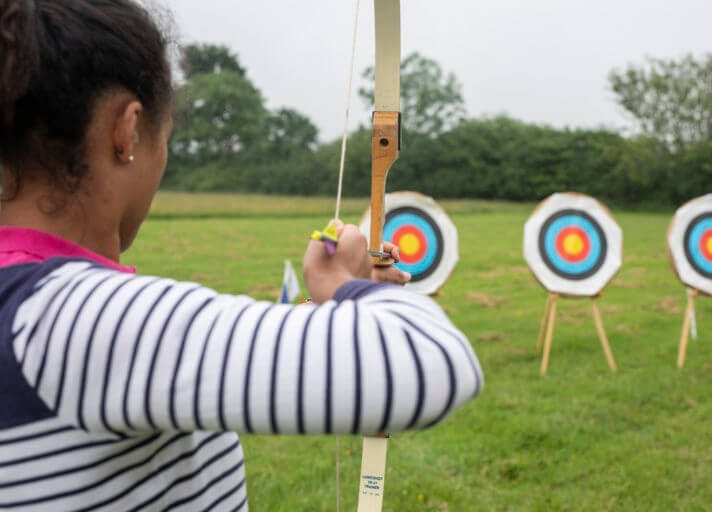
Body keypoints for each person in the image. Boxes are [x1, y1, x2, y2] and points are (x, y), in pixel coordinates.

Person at [0, 0, 483, 510]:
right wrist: (346, 285)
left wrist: (326, 318)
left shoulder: (43, 316)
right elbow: (430, 359)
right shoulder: (70, 319)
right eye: (166, 138)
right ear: (128, 132)